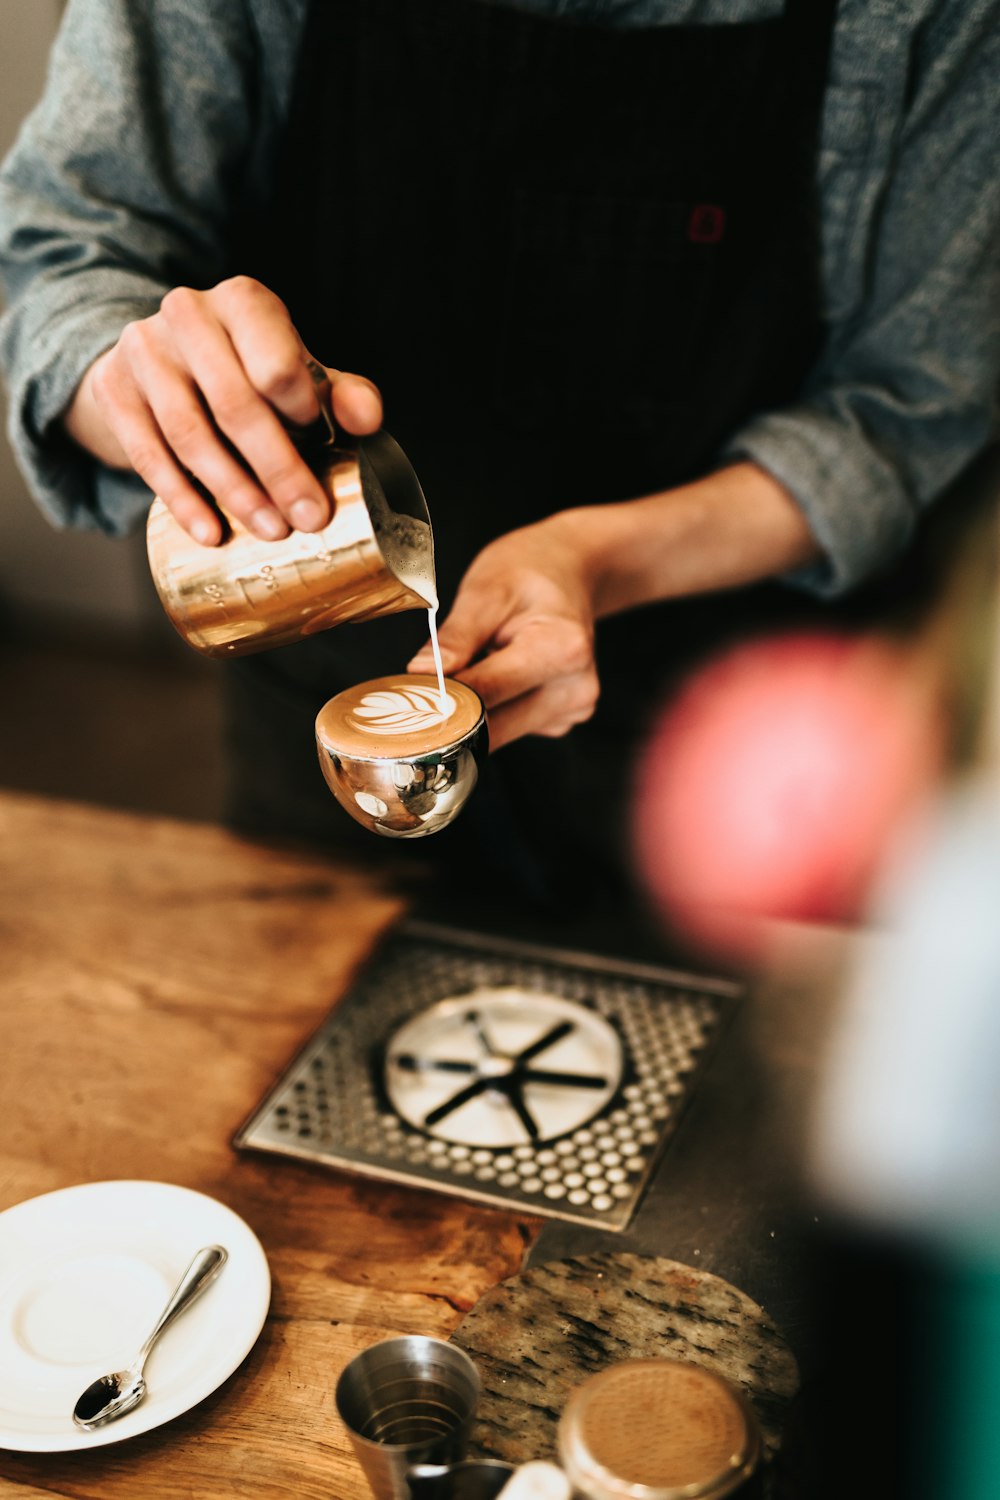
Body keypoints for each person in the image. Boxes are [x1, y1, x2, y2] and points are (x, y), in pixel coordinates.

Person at [1, 0, 998, 930]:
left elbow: (907, 407)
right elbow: (60, 258)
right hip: (330, 694)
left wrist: (600, 557)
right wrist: (130, 378)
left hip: (754, 756)